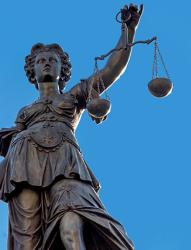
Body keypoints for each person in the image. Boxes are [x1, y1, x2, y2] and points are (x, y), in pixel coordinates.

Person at [0, 4, 143, 250]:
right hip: (24, 163)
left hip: (67, 164)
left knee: (74, 218)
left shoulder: (74, 97)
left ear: (62, 69)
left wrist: (127, 32)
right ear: (32, 70)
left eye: (52, 61)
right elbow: (12, 137)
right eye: (40, 61)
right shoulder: (24, 112)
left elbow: (111, 70)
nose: (46, 64)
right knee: (27, 238)